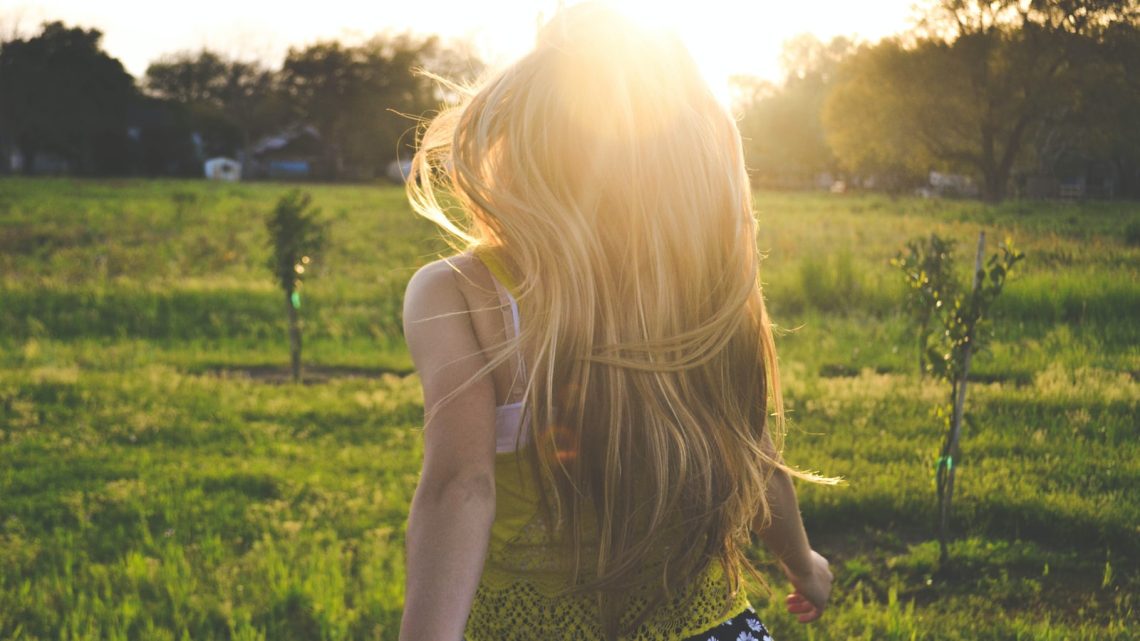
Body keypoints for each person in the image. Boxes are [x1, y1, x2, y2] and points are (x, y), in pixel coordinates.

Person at [398, 4, 835, 640]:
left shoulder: (459, 292)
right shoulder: (696, 292)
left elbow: (461, 485)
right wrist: (804, 564)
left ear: (510, 146)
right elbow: (751, 450)